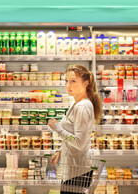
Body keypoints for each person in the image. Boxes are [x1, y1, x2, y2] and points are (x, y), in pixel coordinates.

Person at [48, 64, 102, 194]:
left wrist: (56, 127)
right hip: (72, 170)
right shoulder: (75, 103)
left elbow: (79, 142)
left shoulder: (82, 107)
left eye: (73, 81)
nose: (68, 85)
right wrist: (60, 150)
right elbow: (73, 134)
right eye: (66, 81)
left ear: (85, 84)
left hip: (77, 172)